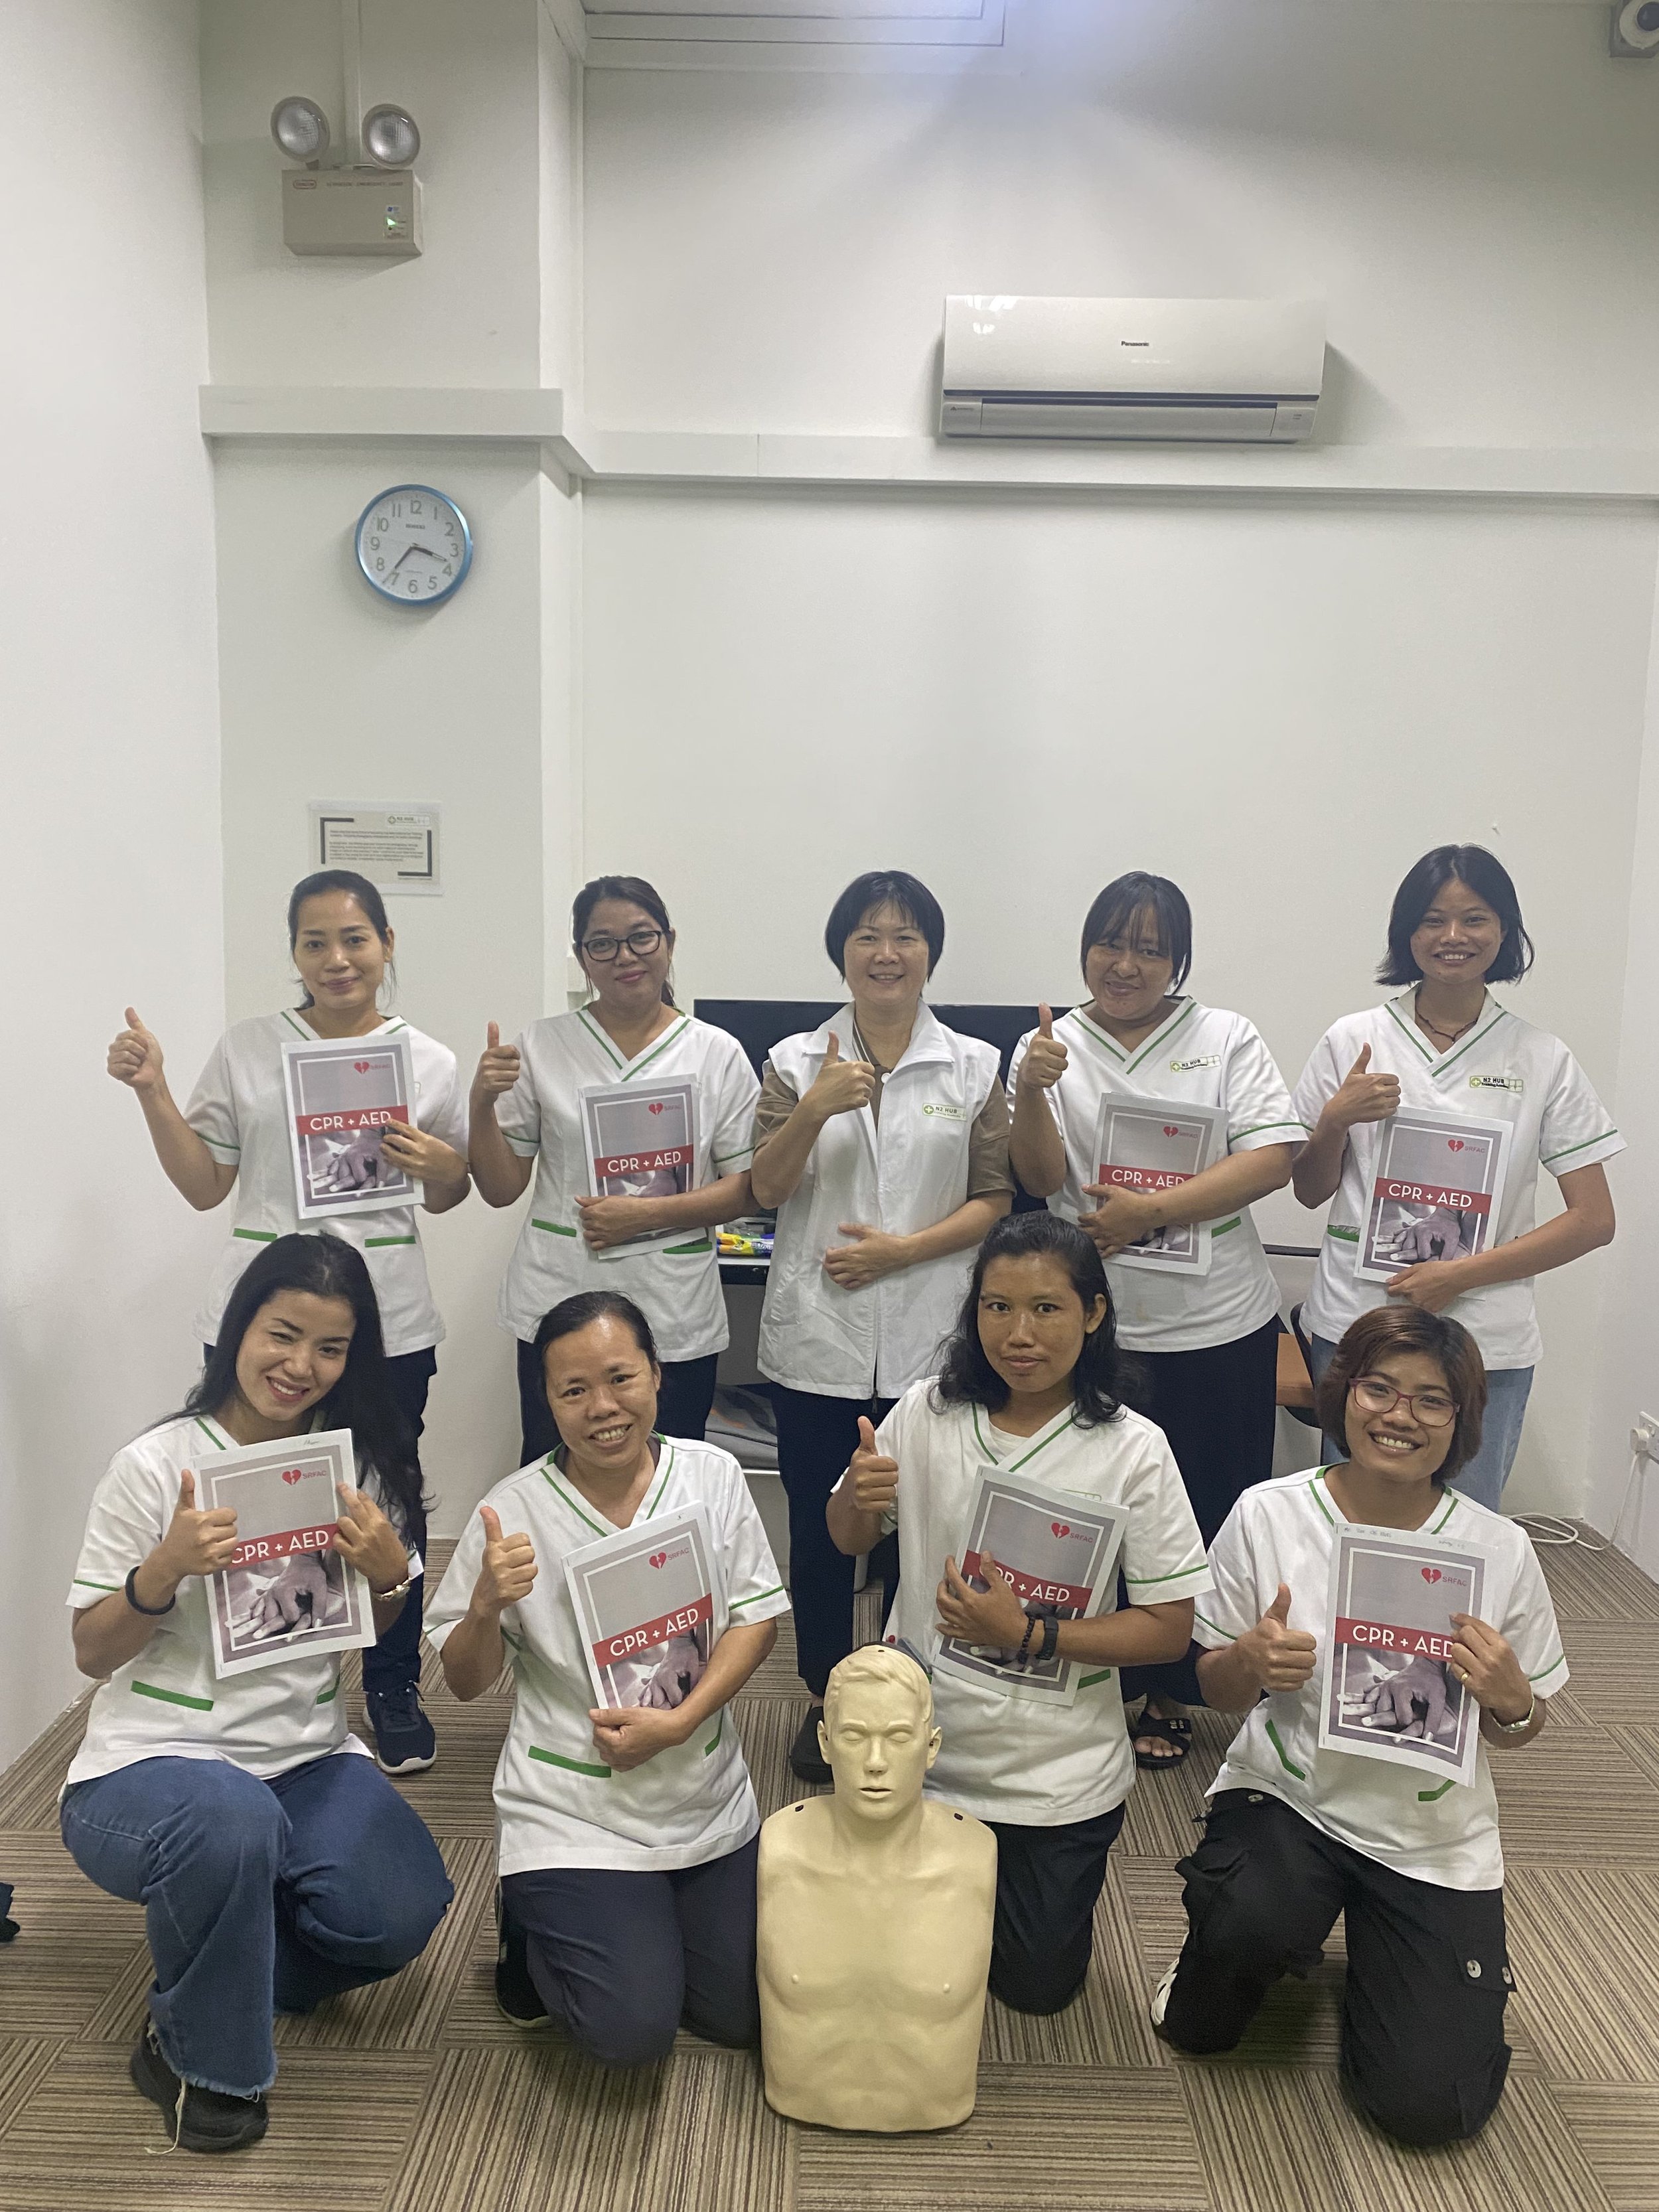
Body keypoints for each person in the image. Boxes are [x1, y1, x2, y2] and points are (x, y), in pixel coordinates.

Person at [60, 1236, 454, 2154]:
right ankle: (200, 2060)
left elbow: (377, 1629)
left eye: (330, 1347)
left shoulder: (351, 1469)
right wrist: (162, 1570)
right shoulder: (154, 1466)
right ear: (239, 1327)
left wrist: (391, 1579)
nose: (300, 1366)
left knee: (399, 1909)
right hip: (153, 1764)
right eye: (282, 1334)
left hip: (303, 1756)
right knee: (227, 1821)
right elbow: (89, 1650)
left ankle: (221, 1949)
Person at [1153, 1304, 1566, 2148]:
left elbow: (1519, 1729)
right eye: (1379, 1388)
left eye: (1430, 1400)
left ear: (1461, 1421)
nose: (1398, 1416)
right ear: (1343, 1394)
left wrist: (1511, 1699)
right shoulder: (1269, 1513)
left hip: (1428, 1837)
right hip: (1291, 1798)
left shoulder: (1497, 1548)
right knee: (1201, 2024)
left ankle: (1390, 1969)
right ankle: (1251, 1935)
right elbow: (1214, 1688)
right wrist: (1249, 1662)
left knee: (1427, 2110)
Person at [106, 869, 469, 1775]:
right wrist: (152, 1090)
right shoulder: (247, 1049)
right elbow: (205, 1184)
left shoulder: (427, 1060)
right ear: (295, 953)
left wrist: (441, 1167)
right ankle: (259, 1690)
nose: (336, 959)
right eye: (314, 942)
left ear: (386, 944)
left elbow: (453, 1191)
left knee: (388, 1500)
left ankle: (392, 1684)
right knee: (252, 1498)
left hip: (384, 1319)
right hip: (260, 1319)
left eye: (354, 939)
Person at [826, 1211, 1209, 2016]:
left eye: (1045, 1308)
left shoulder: (1133, 1448)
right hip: (922, 1754)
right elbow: (848, 1537)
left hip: (1055, 1775)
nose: (1018, 1334)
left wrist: (1030, 1635)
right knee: (906, 1972)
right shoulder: (927, 1413)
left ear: (1093, 1313)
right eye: (996, 1307)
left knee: (1035, 1990)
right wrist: (858, 1500)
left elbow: (1169, 1629)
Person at [427, 1291, 790, 2070]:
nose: (603, 1408)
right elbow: (464, 1682)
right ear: (547, 1401)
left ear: (657, 1374)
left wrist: (684, 1719)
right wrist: (485, 1608)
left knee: (743, 2015)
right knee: (629, 2034)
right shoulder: (512, 1512)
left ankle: (639, 1924)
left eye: (621, 1378)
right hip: (576, 1803)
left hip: (701, 1790)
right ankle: (529, 1922)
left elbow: (756, 1619)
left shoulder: (711, 1475)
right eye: (573, 1390)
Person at [1009, 871, 1304, 1772]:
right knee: (1099, 1512)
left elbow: (1274, 1158)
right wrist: (1033, 1090)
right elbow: (1039, 1177)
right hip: (1100, 1328)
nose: (1125, 964)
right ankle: (1106, 1680)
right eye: (1110, 943)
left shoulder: (1225, 1036)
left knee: (1211, 1509)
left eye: (1149, 948)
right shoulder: (1049, 1044)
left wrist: (1152, 1212)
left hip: (1218, 1325)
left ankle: (1177, 1690)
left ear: (1177, 960)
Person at [753, 869, 1014, 1783]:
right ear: (842, 952)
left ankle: (909, 1698)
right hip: (818, 1341)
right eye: (867, 935)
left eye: (905, 935)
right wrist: (814, 1108)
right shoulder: (794, 1061)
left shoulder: (975, 1066)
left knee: (927, 1529)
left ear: (930, 953)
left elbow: (994, 1199)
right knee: (822, 1534)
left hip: (930, 1343)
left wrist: (902, 1253)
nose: (887, 952)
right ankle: (826, 1699)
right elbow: (765, 1188)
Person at [1292, 846, 1621, 1508]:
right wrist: (1333, 1121)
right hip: (1359, 1318)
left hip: (1484, 1335)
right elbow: (1308, 1189)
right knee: (1353, 1515)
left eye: (1474, 918)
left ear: (1504, 931)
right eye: (1432, 919)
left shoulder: (1541, 1057)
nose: (1452, 936)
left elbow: (1593, 1220)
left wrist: (1460, 1275)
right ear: (1406, 932)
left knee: (1464, 1524)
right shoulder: (1353, 1040)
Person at [469, 875, 758, 1461]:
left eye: (641, 937)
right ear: (582, 958)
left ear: (669, 941)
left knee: (673, 1475)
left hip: (672, 1307)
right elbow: (501, 1189)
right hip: (562, 1294)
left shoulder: (716, 1052)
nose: (625, 956)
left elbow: (750, 1189)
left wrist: (644, 1216)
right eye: (602, 944)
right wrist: (480, 1103)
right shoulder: (542, 1045)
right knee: (556, 1473)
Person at [757, 1645, 997, 2132]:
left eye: (899, 1737)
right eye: (854, 1736)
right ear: (825, 1743)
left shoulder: (975, 1857)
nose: (875, 1761)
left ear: (931, 1746)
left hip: (937, 2106)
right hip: (798, 2096)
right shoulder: (780, 1850)